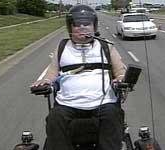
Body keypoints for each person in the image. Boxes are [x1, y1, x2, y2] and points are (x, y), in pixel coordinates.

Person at [31, 4, 126, 150]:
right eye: (77, 24)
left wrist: (120, 78)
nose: (82, 27)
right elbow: (52, 72)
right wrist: (46, 81)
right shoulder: (62, 47)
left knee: (113, 116)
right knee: (55, 118)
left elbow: (120, 71)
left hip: (103, 102)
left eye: (87, 23)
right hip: (67, 103)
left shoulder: (106, 46)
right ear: (70, 28)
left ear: (94, 26)